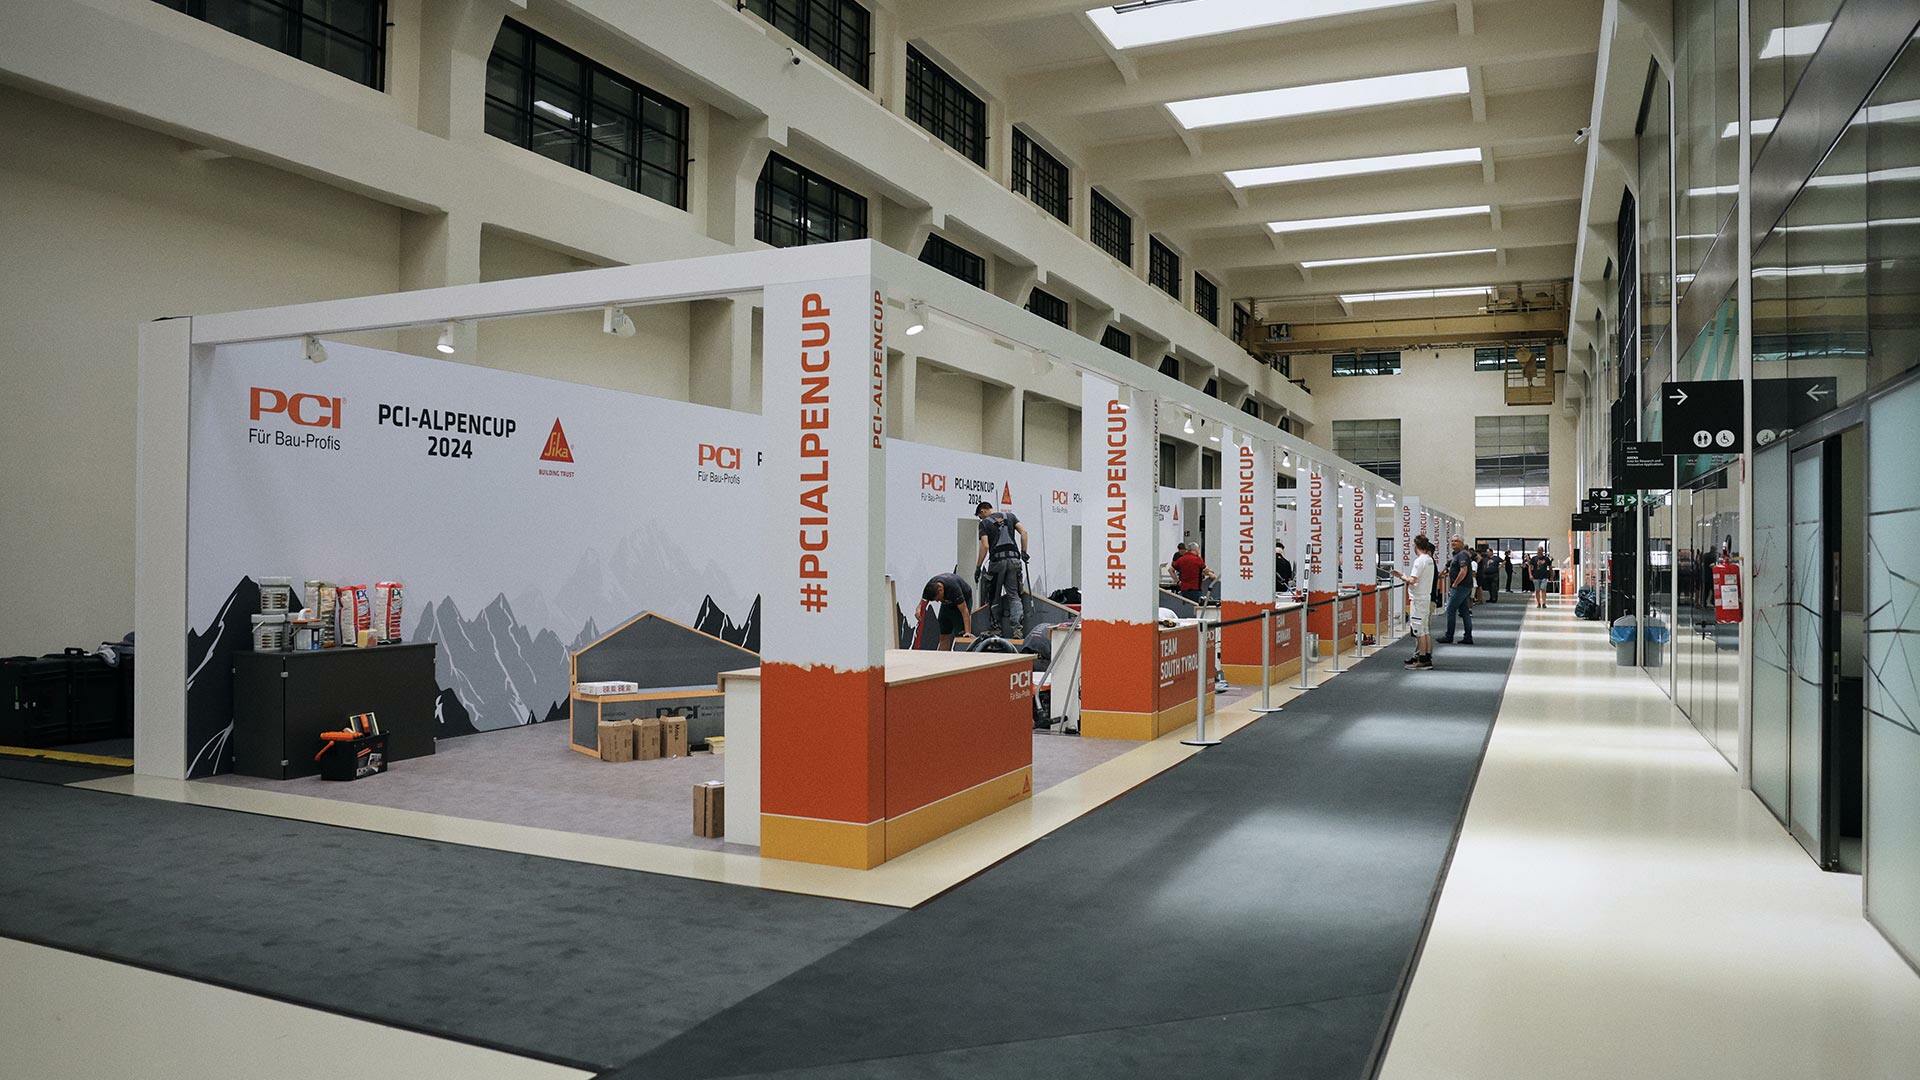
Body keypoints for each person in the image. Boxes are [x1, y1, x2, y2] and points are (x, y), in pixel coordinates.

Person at [974, 500, 1029, 638]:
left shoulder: (984, 523)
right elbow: (1024, 532)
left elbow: (985, 546)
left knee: (994, 597)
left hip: (997, 563)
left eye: (980, 516)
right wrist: (1024, 552)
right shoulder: (1010, 516)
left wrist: (978, 567)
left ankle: (996, 629)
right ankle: (1017, 630)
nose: (981, 518)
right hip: (1014, 561)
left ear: (983, 511)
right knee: (1014, 595)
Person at [1397, 533, 1437, 669]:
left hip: (1418, 599)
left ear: (1416, 546)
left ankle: (1422, 659)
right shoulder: (1430, 560)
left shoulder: (1419, 561)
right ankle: (1426, 657)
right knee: (1425, 629)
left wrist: (1402, 576)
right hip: (1426, 597)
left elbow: (1413, 580)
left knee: (1419, 630)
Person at [918, 572, 973, 651]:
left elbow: (964, 611)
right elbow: (923, 602)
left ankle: (961, 655)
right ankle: (943, 656)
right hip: (947, 603)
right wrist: (919, 609)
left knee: (961, 636)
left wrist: (968, 632)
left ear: (940, 590)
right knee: (944, 634)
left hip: (962, 601)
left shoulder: (953, 588)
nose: (937, 601)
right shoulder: (930, 586)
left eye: (938, 599)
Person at [1441, 536, 1475, 644]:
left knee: (1451, 609)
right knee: (1464, 611)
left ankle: (1449, 636)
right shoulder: (1457, 555)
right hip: (1463, 587)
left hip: (1461, 587)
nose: (1453, 543)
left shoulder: (1462, 555)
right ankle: (1468, 637)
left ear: (1461, 543)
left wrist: (1455, 584)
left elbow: (1463, 571)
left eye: (1456, 541)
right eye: (1452, 541)